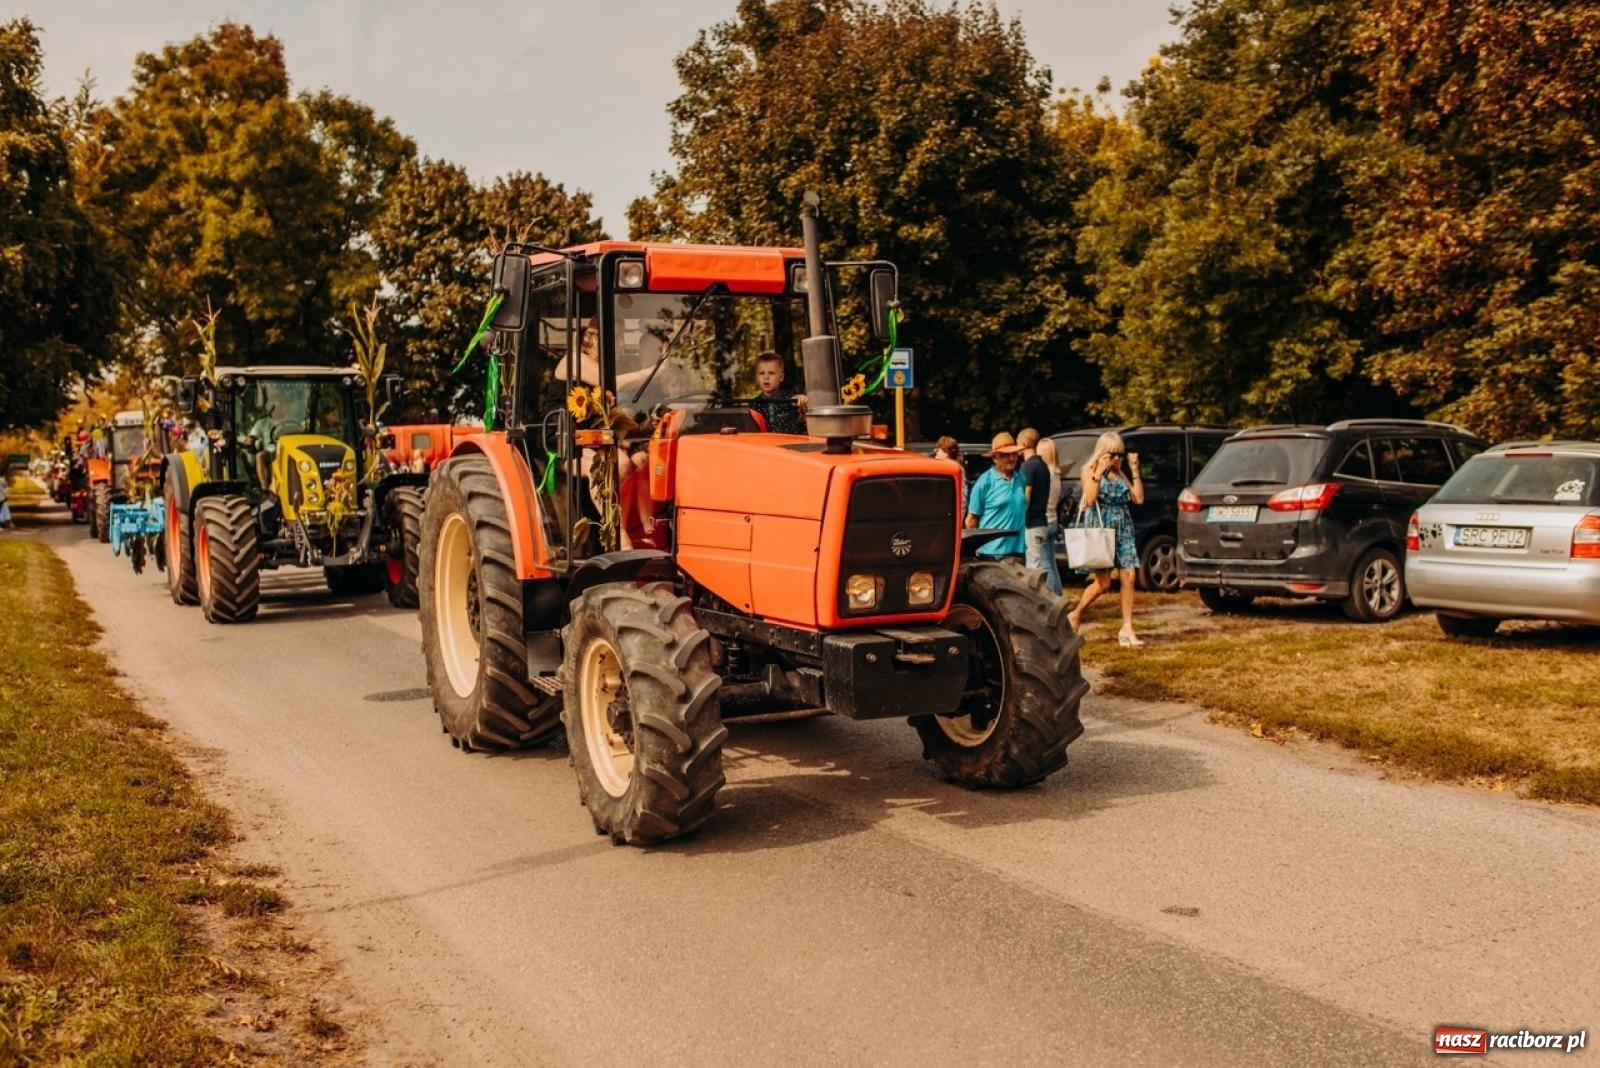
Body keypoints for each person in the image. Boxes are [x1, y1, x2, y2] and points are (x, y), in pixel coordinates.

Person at [1066, 431, 1145, 645]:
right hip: (1101, 529)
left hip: (1124, 528)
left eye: (1120, 454)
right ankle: (1076, 613)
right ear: (1102, 453)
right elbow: (1090, 499)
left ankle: (1127, 628)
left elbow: (1138, 498)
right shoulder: (1089, 470)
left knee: (1129, 576)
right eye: (1112, 454)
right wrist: (1098, 473)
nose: (1117, 459)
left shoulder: (1121, 473)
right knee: (1103, 584)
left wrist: (1134, 470)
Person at [964, 431, 1027, 561]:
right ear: (995, 458)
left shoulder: (1021, 478)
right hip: (991, 553)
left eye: (1014, 454)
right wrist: (973, 548)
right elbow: (971, 520)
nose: (1011, 458)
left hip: (1018, 551)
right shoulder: (984, 482)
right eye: (1006, 455)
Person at [1017, 427, 1056, 584]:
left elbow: (1026, 497)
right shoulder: (1042, 465)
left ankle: (1037, 604)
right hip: (1041, 521)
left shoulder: (1028, 466)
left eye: (1018, 443)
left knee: (1032, 570)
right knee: (1041, 566)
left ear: (1025, 444)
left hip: (1031, 524)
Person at [746, 351, 808, 434]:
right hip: (764, 444)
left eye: (771, 373)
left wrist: (801, 399)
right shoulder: (753, 405)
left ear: (781, 377)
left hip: (789, 443)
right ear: (756, 377)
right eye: (761, 373)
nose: (766, 377)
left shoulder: (790, 398)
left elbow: (797, 400)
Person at [1036, 436, 1065, 596]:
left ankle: (1053, 598)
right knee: (1052, 563)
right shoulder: (1056, 474)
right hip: (1053, 519)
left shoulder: (1044, 475)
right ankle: (1059, 595)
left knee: (1046, 564)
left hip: (1044, 520)